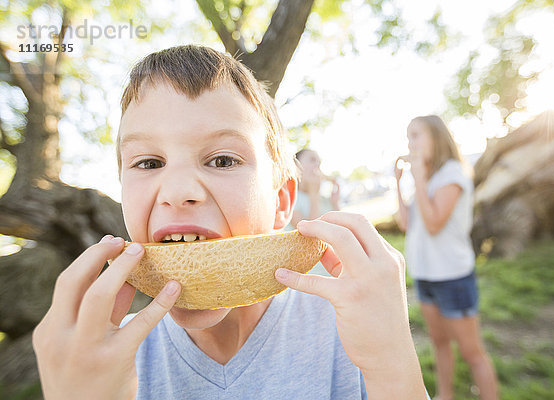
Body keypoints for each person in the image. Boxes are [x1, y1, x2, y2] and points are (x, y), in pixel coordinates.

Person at [32, 45, 429, 399]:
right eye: (148, 162)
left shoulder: (350, 327)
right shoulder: (104, 362)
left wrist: (393, 365)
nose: (177, 190)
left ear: (282, 201)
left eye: (222, 160)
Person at [394, 115, 498, 400]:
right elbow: (406, 224)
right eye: (407, 136)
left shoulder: (451, 173)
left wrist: (419, 177)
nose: (409, 143)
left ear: (436, 137)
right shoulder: (425, 177)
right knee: (440, 343)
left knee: (471, 352)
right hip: (426, 275)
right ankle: (444, 395)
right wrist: (398, 184)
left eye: (415, 135)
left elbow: (434, 223)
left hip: (452, 277)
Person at [290, 148, 340, 228]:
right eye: (312, 160)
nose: (318, 165)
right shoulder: (292, 201)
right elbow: (309, 235)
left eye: (319, 162)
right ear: (297, 166)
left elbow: (338, 225)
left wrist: (335, 203)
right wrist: (313, 194)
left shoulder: (323, 198)